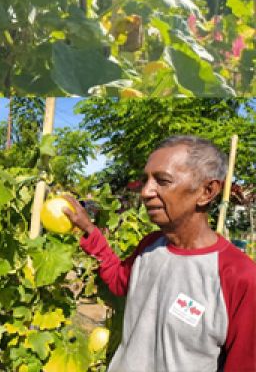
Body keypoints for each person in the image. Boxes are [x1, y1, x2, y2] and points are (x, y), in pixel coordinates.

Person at [62, 136, 256, 371]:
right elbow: (117, 280)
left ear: (207, 191)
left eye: (162, 181)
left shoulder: (239, 277)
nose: (145, 192)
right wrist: (89, 230)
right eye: (146, 180)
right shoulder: (150, 247)